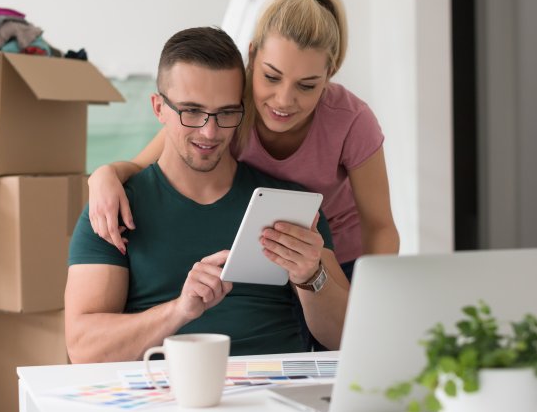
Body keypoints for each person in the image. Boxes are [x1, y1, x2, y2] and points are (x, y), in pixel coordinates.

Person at [65, 27, 349, 364]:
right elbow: (83, 348)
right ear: (158, 108)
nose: (209, 132)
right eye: (191, 111)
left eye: (226, 113)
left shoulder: (287, 204)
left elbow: (348, 338)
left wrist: (310, 275)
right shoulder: (117, 207)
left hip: (276, 398)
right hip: (168, 400)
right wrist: (179, 311)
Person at [88, 0, 399, 282]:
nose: (284, 100)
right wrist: (104, 175)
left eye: (307, 86)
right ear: (252, 56)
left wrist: (370, 296)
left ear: (329, 74)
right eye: (271, 77)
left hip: (336, 263)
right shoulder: (228, 106)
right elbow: (140, 165)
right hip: (255, 257)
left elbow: (380, 226)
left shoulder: (351, 121)